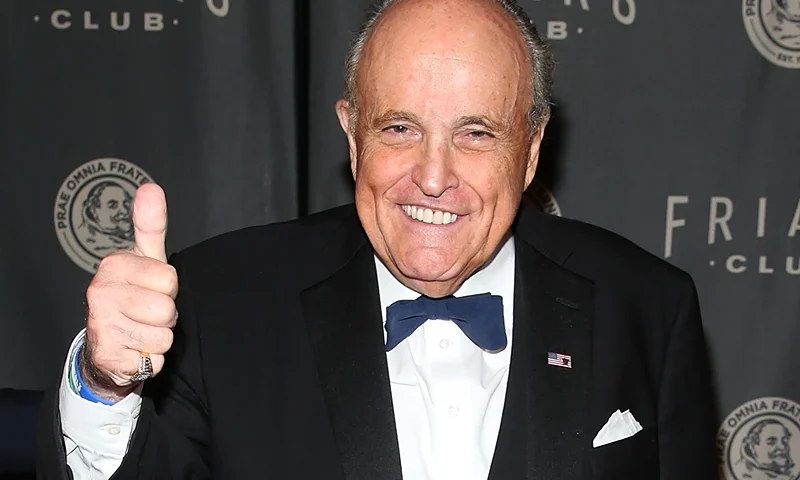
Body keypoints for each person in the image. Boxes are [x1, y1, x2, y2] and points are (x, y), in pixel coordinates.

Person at [37, 0, 718, 478]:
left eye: (476, 133)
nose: (432, 177)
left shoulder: (647, 308)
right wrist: (106, 387)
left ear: (532, 149)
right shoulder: (216, 306)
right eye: (399, 128)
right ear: (352, 136)